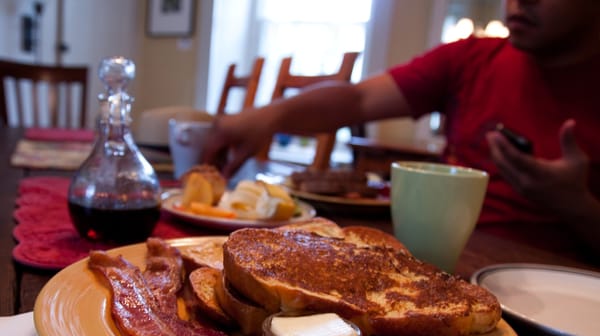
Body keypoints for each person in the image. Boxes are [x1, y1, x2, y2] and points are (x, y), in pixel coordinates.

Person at [203, 0, 600, 264]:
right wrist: (267, 116)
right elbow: (357, 100)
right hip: (444, 263)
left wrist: (577, 206)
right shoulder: (472, 58)